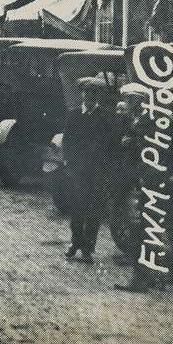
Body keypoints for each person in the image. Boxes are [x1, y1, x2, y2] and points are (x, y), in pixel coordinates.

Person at [115, 84, 168, 291]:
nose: (126, 103)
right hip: (139, 179)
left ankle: (142, 279)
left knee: (143, 229)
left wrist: (133, 142)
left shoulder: (151, 121)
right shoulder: (136, 119)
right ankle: (155, 277)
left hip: (148, 181)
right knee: (147, 229)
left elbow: (155, 150)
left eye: (130, 100)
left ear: (139, 101)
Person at [63, 76, 116, 263]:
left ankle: (88, 247)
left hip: (98, 171)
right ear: (82, 94)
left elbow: (111, 144)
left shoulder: (106, 116)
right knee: (77, 207)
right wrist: (69, 163)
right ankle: (75, 242)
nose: (90, 96)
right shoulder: (73, 114)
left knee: (95, 209)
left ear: (99, 96)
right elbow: (67, 141)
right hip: (78, 171)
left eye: (94, 93)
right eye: (87, 92)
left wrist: (106, 166)